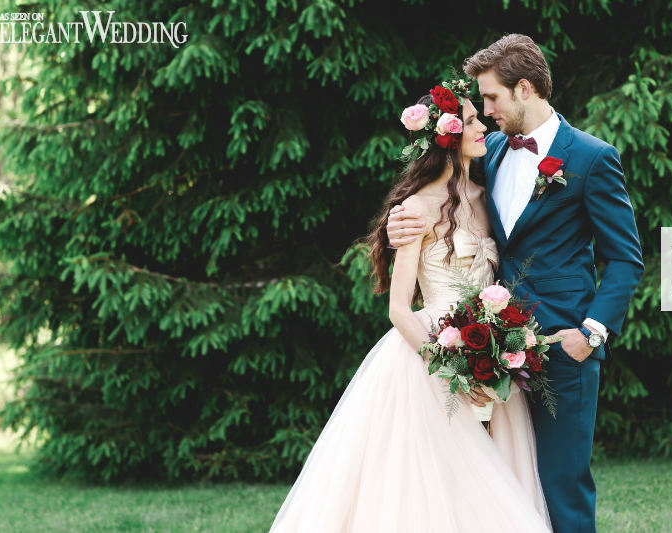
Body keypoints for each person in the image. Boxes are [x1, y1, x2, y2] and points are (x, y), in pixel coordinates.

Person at [269, 80, 553, 532]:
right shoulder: (415, 209)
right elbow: (399, 308)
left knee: (491, 480)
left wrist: (489, 352)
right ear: (449, 136)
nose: (483, 126)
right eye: (473, 120)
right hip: (429, 357)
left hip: (486, 347)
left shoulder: (487, 197)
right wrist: (447, 366)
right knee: (432, 481)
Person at [387, 35, 644, 533]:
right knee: (496, 489)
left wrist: (589, 333)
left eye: (491, 98)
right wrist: (396, 225)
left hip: (560, 347)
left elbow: (625, 259)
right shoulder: (494, 150)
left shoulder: (592, 158)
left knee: (561, 484)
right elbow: (441, 195)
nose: (485, 111)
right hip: (488, 350)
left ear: (524, 88)